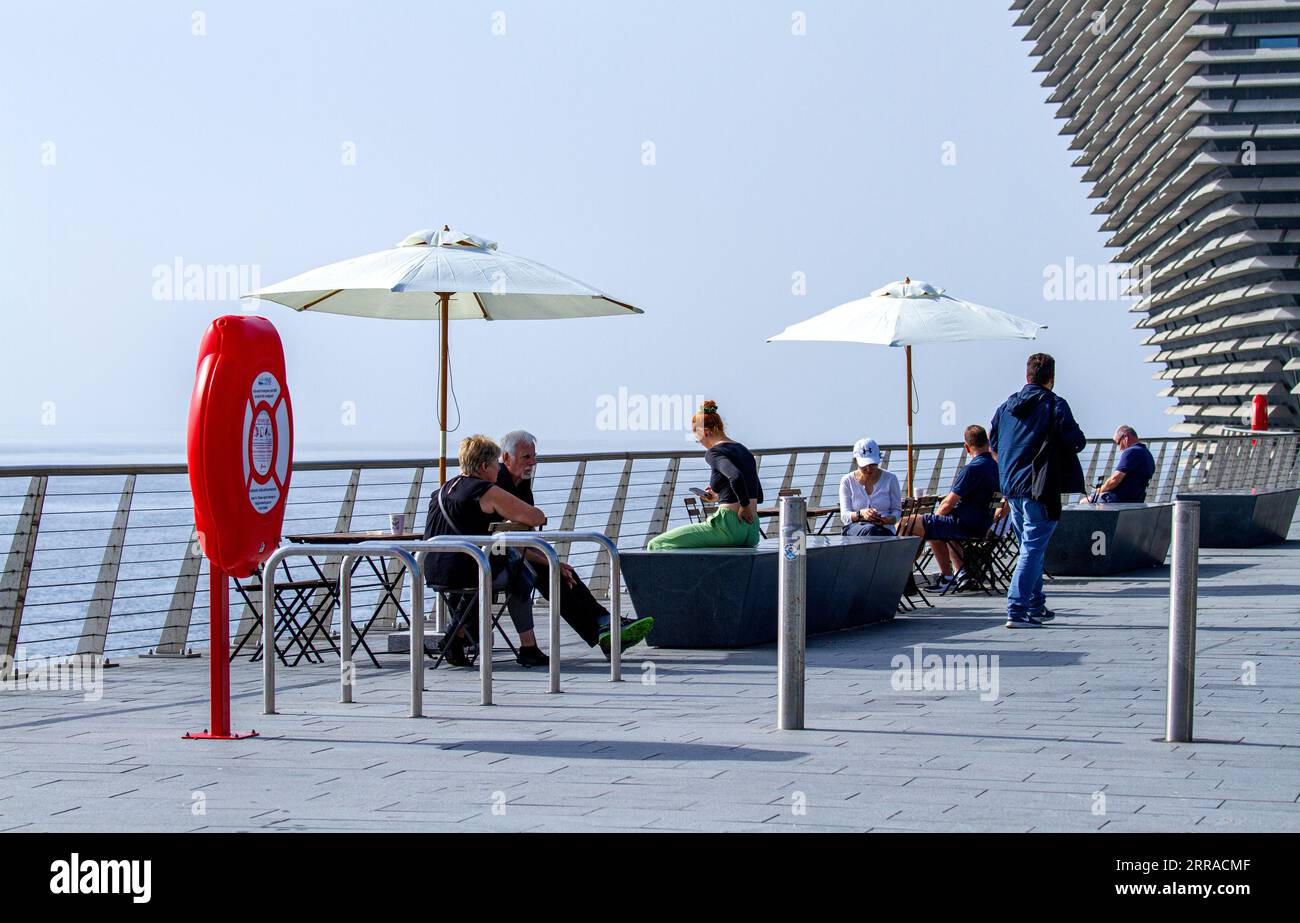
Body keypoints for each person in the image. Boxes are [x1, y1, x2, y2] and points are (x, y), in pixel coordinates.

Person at [495, 430, 654, 659]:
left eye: (533, 456)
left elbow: (524, 536)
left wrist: (554, 562)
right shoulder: (498, 484)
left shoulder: (522, 485)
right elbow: (505, 540)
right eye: (525, 458)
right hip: (496, 556)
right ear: (506, 458)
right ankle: (603, 625)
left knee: (563, 571)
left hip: (514, 553)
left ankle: (604, 624)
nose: (532, 462)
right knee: (550, 571)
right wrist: (551, 562)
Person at [422, 434, 550, 668]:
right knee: (520, 573)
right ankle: (528, 647)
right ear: (484, 466)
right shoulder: (485, 490)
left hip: (432, 567)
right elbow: (536, 516)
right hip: (469, 570)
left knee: (487, 572)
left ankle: (456, 637)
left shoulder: (442, 491)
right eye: (495, 466)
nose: (497, 472)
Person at [989, 353, 1086, 628]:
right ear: (1051, 379)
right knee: (1032, 548)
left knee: (1029, 547)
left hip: (1011, 486)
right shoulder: (1055, 404)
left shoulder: (1005, 406)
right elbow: (1076, 440)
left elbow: (993, 443)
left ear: (1027, 376)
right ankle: (1016, 609)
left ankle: (1035, 605)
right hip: (1039, 486)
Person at [647, 400, 764, 549]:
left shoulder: (714, 452)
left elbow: (735, 476)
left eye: (698, 438)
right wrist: (718, 496)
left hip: (729, 527)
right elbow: (758, 495)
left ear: (706, 432)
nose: (701, 443)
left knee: (656, 544)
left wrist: (744, 506)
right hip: (751, 531)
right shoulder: (744, 451)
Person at [900, 425, 1000, 588]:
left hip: (965, 526)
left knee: (905, 523)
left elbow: (948, 503)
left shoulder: (972, 469)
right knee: (935, 529)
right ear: (988, 443)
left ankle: (902, 575)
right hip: (983, 524)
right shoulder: (996, 467)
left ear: (967, 447)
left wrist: (936, 517)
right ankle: (953, 576)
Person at [838, 438, 901, 536]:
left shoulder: (890, 478)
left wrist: (886, 520)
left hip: (884, 528)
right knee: (871, 530)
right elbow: (845, 516)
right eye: (864, 465)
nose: (868, 469)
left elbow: (897, 511)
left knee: (875, 531)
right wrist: (861, 513)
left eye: (872, 465)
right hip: (855, 527)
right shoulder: (847, 480)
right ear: (856, 462)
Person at [1081, 425, 1154, 504]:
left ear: (1125, 436)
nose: (1120, 448)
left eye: (1119, 443)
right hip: (1136, 500)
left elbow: (1115, 480)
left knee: (1083, 502)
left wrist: (1099, 490)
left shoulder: (1131, 452)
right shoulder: (1147, 453)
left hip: (1118, 499)